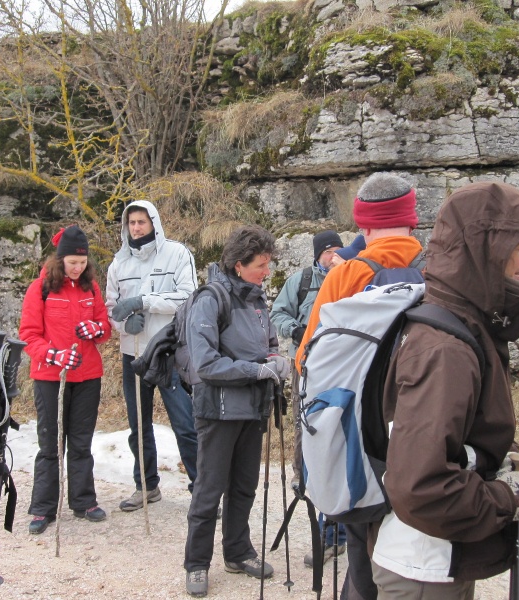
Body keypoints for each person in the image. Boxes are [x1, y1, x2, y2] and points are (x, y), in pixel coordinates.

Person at [371, 182, 519, 599]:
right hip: (422, 566)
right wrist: (508, 498)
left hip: (434, 558)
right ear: (486, 248)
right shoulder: (445, 349)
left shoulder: (461, 324)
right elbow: (420, 486)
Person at [295, 173, 423, 600]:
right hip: (421, 430)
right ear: (413, 219)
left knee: (361, 546)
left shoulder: (345, 274)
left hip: (360, 438)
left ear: (363, 226)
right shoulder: (438, 270)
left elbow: (306, 362)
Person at [183, 225, 291, 598]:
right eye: (261, 265)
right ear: (239, 264)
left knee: (244, 486)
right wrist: (255, 370)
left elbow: (269, 343)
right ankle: (196, 563)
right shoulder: (211, 299)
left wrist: (277, 361)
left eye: (267, 265)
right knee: (209, 488)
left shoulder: (258, 299)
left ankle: (238, 551)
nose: (266, 272)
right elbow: (205, 363)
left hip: (253, 407)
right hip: (218, 409)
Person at [106, 200, 199, 511]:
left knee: (185, 424)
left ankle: (202, 490)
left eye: (141, 222)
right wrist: (123, 322)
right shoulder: (119, 263)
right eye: (131, 222)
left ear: (153, 222)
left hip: (169, 352)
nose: (136, 228)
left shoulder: (177, 253)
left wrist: (144, 301)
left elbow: (189, 297)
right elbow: (111, 309)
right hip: (132, 351)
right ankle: (146, 485)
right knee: (139, 425)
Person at [18, 225, 110, 534]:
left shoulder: (91, 288)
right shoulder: (40, 288)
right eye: (72, 262)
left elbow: (104, 326)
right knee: (50, 444)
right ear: (60, 259)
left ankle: (84, 501)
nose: (77, 267)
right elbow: (28, 336)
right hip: (50, 377)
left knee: (81, 442)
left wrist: (97, 330)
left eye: (82, 262)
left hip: (87, 375)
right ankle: (43, 508)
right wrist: (53, 355)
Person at [270, 229, 349, 567]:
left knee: (337, 437)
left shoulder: (352, 275)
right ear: (318, 254)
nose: (333, 256)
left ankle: (336, 532)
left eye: (338, 250)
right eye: (328, 251)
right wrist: (296, 330)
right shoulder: (300, 281)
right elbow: (278, 314)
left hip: (343, 366)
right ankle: (303, 475)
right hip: (304, 363)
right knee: (305, 423)